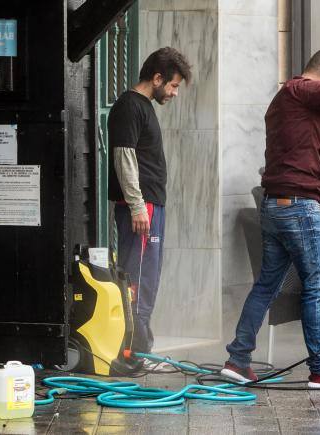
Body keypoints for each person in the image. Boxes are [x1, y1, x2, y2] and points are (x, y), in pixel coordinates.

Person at [221, 48, 320, 388]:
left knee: (266, 285)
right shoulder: (299, 90)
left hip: (278, 206)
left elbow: (318, 151)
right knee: (317, 285)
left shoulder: (293, 103)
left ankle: (238, 360)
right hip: (299, 206)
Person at [107, 47, 192, 367]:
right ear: (157, 78)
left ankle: (138, 351)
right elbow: (124, 157)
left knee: (145, 278)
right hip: (143, 210)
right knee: (139, 281)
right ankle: (133, 354)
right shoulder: (130, 106)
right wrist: (138, 206)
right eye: (172, 86)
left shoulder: (141, 107)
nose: (173, 93)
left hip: (149, 207)